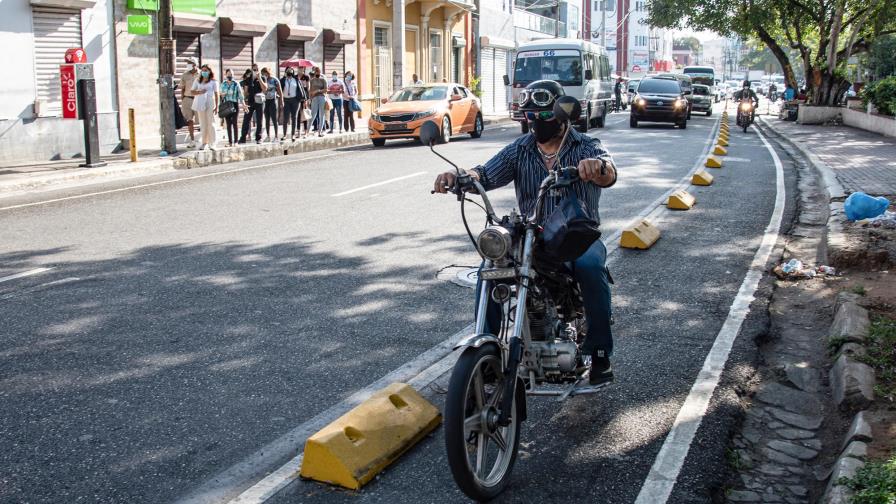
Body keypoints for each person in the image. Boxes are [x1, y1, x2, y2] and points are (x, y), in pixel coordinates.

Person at [432, 80, 619, 385]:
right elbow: (487, 172)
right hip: (533, 235)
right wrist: (461, 177)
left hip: (577, 235)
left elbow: (609, 170)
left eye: (545, 117)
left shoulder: (585, 145)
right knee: (491, 267)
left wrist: (596, 168)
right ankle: (486, 347)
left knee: (590, 266)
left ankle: (599, 352)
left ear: (562, 116)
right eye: (532, 117)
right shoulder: (521, 149)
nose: (537, 123)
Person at [190, 64, 219, 150]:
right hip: (200, 102)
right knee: (203, 123)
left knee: (211, 123)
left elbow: (217, 94)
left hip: (210, 101)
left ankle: (213, 143)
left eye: (206, 70)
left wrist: (217, 106)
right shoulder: (197, 80)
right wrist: (199, 92)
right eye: (202, 70)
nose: (204, 72)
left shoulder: (214, 81)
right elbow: (192, 92)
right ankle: (204, 142)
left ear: (209, 71)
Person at [239, 66, 267, 144]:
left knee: (259, 119)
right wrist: (245, 101)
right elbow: (245, 92)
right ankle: (243, 138)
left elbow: (265, 89)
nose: (255, 71)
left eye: (257, 69)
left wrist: (259, 78)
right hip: (250, 101)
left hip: (259, 101)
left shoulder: (263, 78)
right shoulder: (248, 79)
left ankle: (259, 138)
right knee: (246, 119)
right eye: (254, 70)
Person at [219, 68, 246, 147]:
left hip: (234, 104)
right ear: (226, 75)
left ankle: (236, 141)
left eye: (231, 74)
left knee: (234, 123)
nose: (230, 76)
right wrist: (222, 95)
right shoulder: (223, 84)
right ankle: (230, 142)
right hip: (226, 104)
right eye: (228, 74)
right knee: (228, 123)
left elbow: (241, 96)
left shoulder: (236, 84)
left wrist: (244, 105)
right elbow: (220, 93)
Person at [179, 58, 199, 148]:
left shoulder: (201, 74)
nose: (188, 65)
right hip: (187, 99)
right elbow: (182, 88)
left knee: (201, 120)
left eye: (189, 63)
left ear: (194, 64)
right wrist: (182, 98)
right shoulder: (185, 75)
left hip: (198, 99)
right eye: (187, 63)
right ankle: (192, 140)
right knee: (189, 120)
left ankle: (203, 140)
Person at [281, 67, 304, 141]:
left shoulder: (296, 80)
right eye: (288, 71)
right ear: (286, 72)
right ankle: (284, 135)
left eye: (291, 71)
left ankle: (293, 135)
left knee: (294, 117)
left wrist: (303, 99)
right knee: (286, 118)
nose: (289, 72)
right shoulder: (283, 80)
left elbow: (301, 89)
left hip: (295, 100)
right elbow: (279, 89)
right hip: (286, 100)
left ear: (293, 72)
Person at [261, 67, 283, 142]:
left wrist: (281, 101)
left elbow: (280, 91)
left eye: (264, 73)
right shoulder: (263, 80)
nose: (264, 75)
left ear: (267, 72)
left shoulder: (274, 80)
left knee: (274, 119)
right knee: (267, 119)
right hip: (266, 100)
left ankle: (276, 136)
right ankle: (268, 135)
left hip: (273, 100)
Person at [308, 67, 328, 137]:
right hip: (314, 98)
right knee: (313, 115)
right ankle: (307, 132)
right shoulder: (312, 80)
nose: (317, 72)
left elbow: (326, 89)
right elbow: (310, 91)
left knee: (321, 115)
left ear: (320, 72)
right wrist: (309, 99)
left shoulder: (323, 80)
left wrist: (318, 91)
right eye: (316, 71)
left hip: (322, 97)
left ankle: (320, 132)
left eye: (318, 71)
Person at [299, 72, 312, 137]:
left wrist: (308, 98)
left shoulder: (306, 77)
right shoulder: (296, 76)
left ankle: (306, 131)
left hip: (304, 97)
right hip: (298, 97)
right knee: (298, 114)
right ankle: (298, 131)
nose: (300, 69)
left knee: (305, 114)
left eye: (301, 68)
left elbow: (308, 88)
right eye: (299, 68)